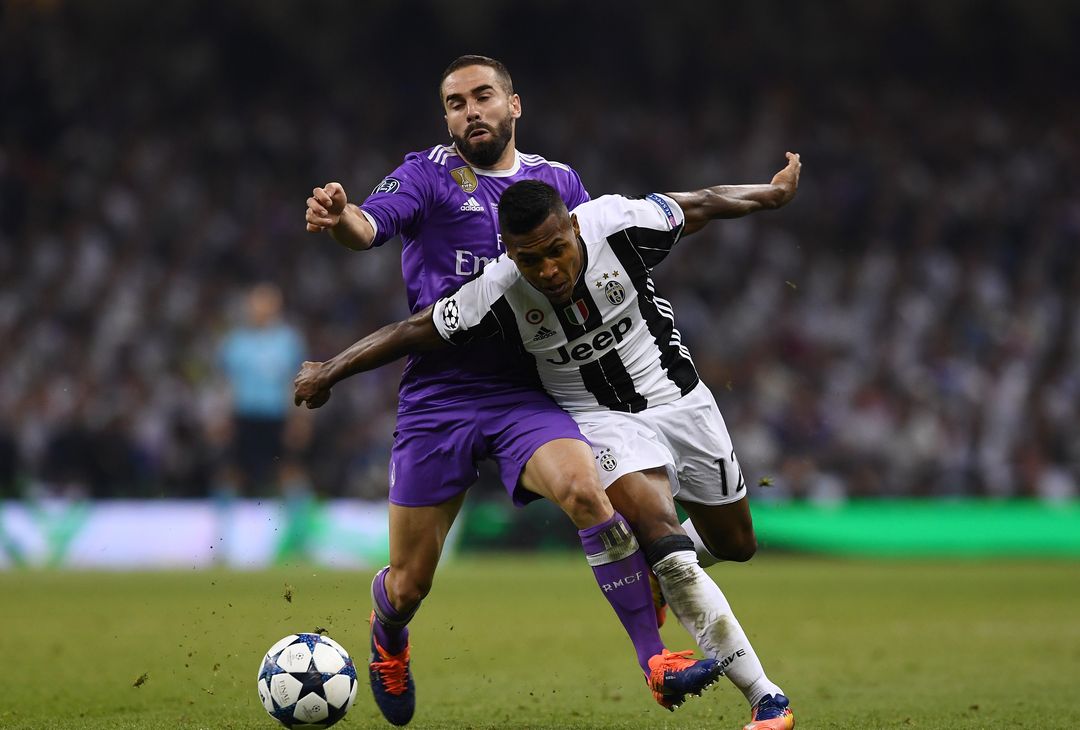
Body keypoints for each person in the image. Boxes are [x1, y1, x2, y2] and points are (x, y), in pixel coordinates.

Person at [295, 154, 803, 730]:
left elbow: (702, 204)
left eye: (557, 250)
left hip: (681, 400)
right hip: (599, 420)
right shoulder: (498, 286)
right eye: (530, 259)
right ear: (510, 254)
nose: (549, 270)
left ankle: (654, 574)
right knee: (662, 541)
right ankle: (765, 699)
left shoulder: (618, 223)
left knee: (735, 543)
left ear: (574, 227)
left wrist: (771, 194)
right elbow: (415, 329)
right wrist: (330, 370)